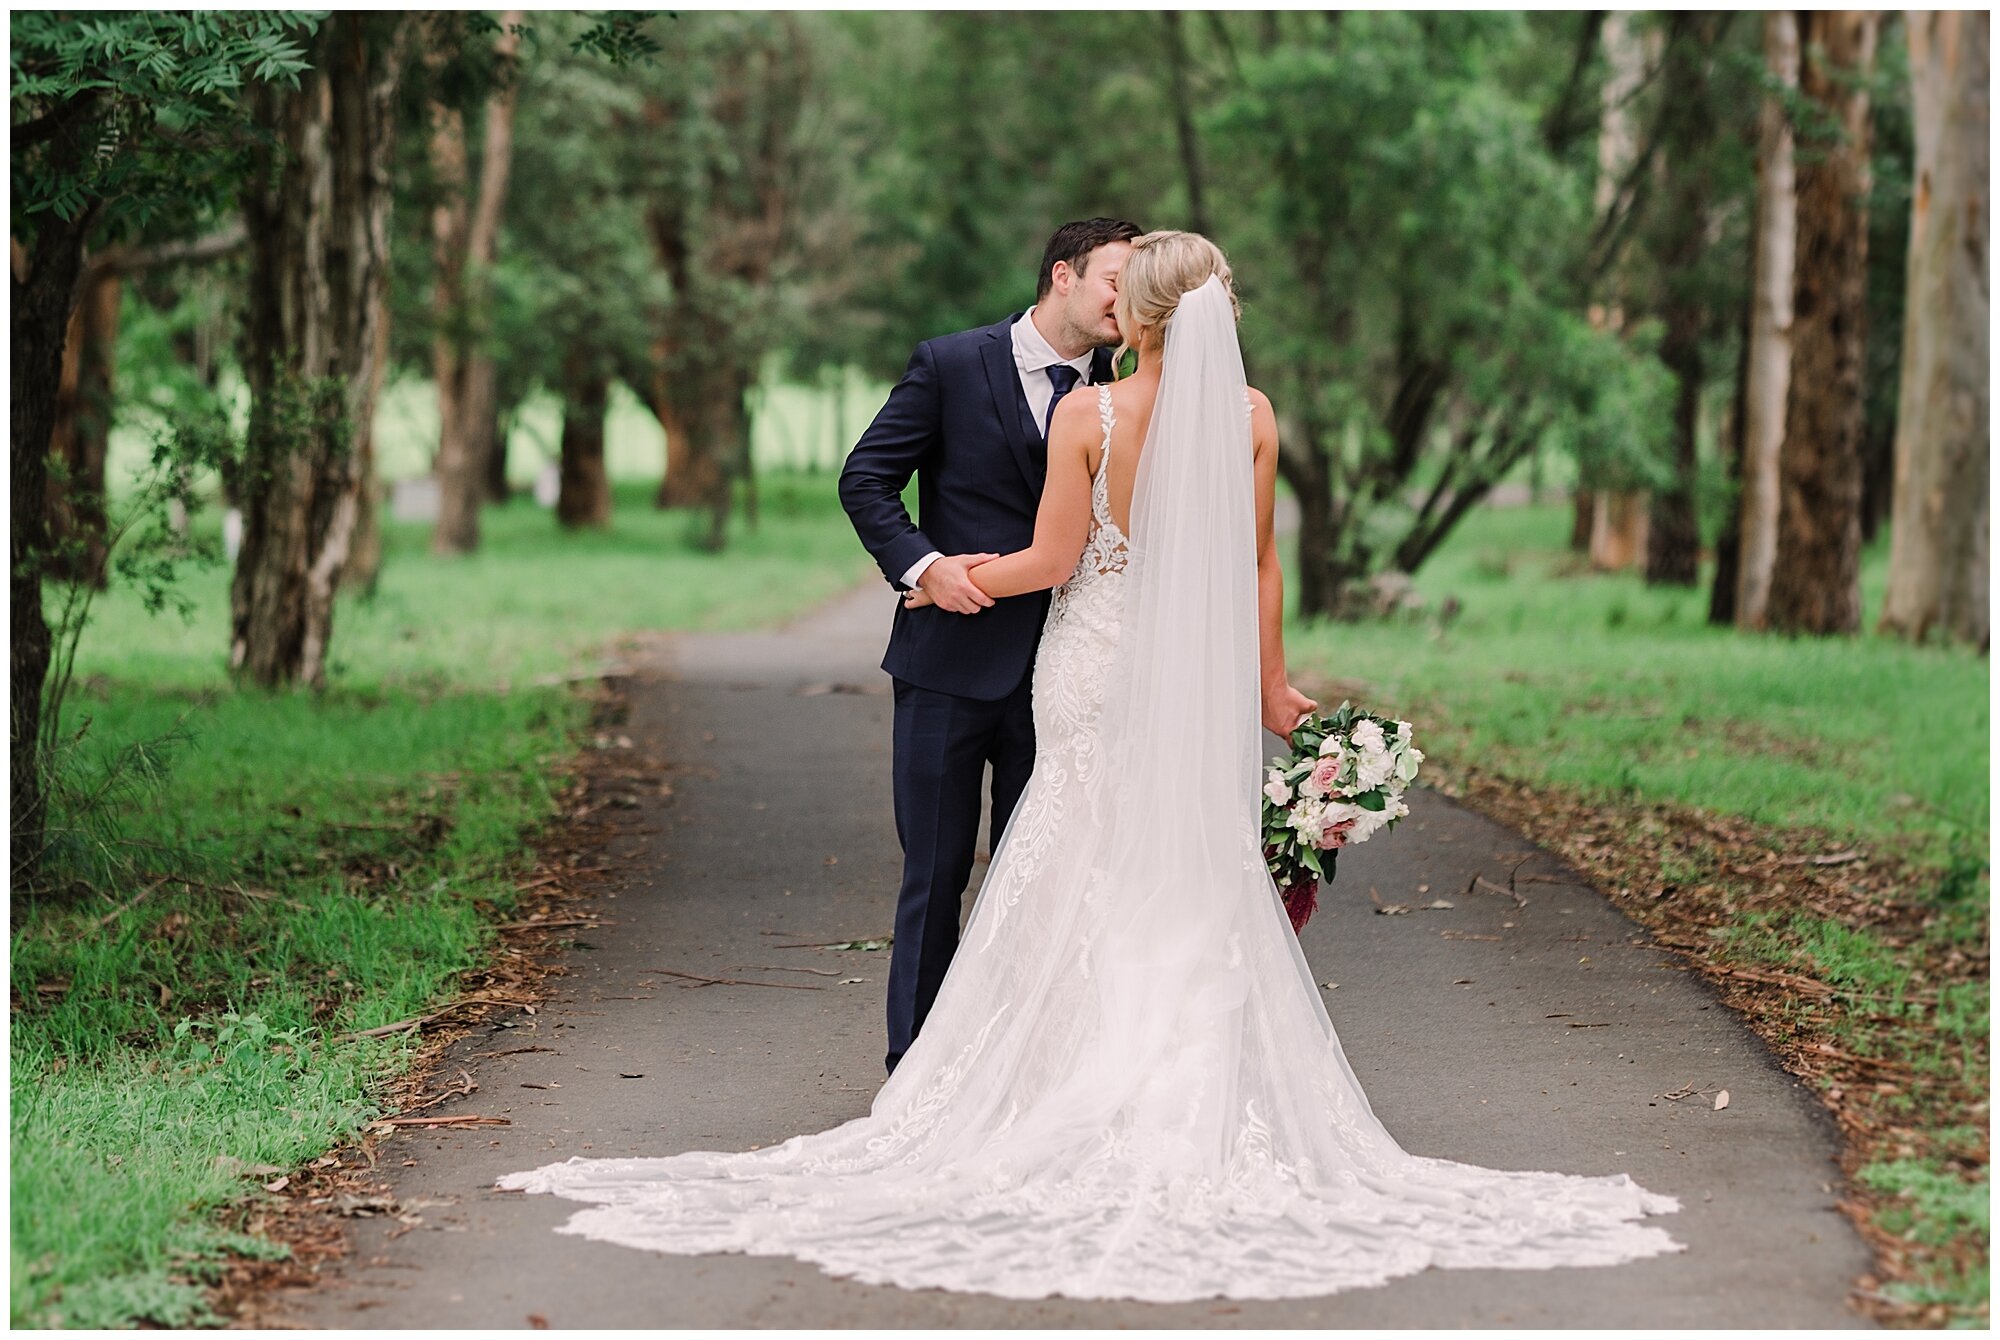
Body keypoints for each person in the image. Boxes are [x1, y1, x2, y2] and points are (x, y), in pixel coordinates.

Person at [498, 232, 1686, 1303]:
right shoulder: (1253, 417)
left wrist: (961, 573)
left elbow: (1055, 558)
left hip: (1086, 665)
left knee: (1065, 857)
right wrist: (1269, 685)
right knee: (1178, 868)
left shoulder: (1094, 418)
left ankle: (1033, 1085)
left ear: (1146, 318)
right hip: (1192, 681)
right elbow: (1259, 569)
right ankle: (1174, 1087)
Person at [832, 217, 1155, 1076]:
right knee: (935, 878)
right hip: (947, 661)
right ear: (1063, 275)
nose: (1130, 298)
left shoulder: (1123, 394)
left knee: (1040, 886)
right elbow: (865, 478)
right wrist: (924, 567)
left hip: (1066, 673)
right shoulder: (949, 363)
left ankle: (1015, 1075)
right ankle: (913, 1072)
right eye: (1117, 278)